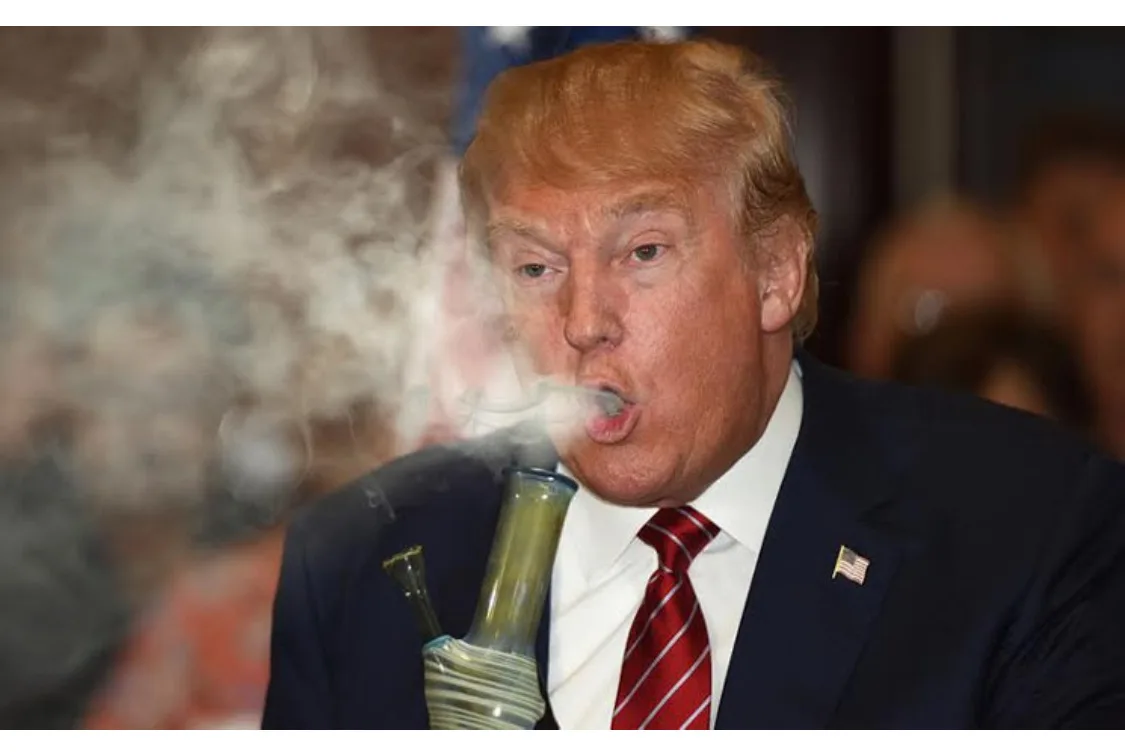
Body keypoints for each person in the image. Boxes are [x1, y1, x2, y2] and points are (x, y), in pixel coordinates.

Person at [262, 40, 1125, 729]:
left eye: (643, 252)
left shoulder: (1025, 532)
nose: (583, 320)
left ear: (776, 271)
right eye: (534, 267)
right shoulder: (361, 566)